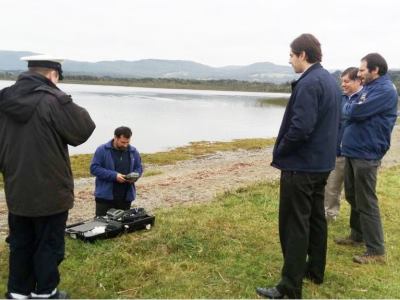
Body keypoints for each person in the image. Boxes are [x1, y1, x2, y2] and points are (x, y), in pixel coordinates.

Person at [0, 54, 96, 299]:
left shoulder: (5, 98)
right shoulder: (53, 100)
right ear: (53, 75)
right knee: (48, 245)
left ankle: (18, 293)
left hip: (17, 189)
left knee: (20, 244)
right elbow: (84, 129)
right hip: (51, 192)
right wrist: (60, 96)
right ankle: (45, 293)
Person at [256, 33, 341, 299]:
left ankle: (289, 287)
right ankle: (315, 270)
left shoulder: (308, 83)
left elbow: (301, 128)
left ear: (303, 55)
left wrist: (281, 150)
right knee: (316, 219)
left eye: (292, 55)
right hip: (321, 164)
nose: (290, 60)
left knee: (294, 225)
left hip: (301, 167)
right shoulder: (329, 80)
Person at [335, 53, 398, 264]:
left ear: (375, 70)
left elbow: (355, 112)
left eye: (362, 70)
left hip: (367, 152)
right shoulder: (370, 88)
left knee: (366, 200)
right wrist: (350, 109)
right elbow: (352, 108)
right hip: (353, 150)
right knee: (352, 195)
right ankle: (357, 234)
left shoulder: (385, 91)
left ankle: (376, 250)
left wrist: (348, 109)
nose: (359, 73)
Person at [324, 67, 362, 222]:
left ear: (358, 81)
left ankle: (359, 222)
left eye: (346, 81)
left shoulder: (365, 99)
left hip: (358, 153)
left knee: (355, 191)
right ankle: (329, 215)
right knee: (332, 186)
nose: (343, 85)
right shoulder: (339, 98)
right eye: (342, 81)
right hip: (338, 151)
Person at [90, 126, 143, 216]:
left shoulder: (133, 151)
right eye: (123, 142)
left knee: (122, 224)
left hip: (125, 197)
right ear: (115, 137)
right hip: (105, 197)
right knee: (102, 225)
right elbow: (94, 168)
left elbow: (139, 168)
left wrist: (135, 176)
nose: (125, 145)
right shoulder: (102, 150)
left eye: (127, 142)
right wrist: (114, 176)